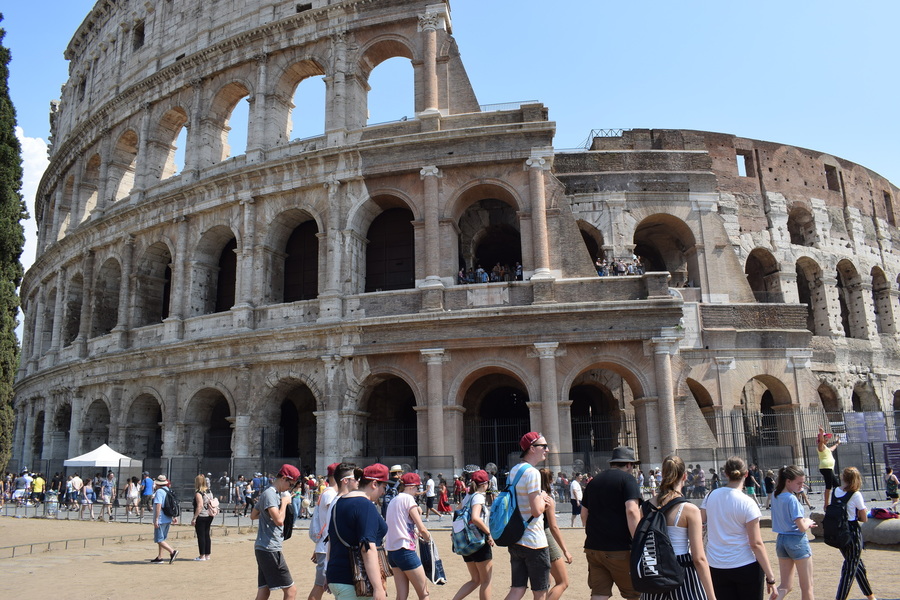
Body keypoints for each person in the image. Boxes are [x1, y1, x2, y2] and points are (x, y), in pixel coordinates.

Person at [700, 456, 776, 600]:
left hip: (716, 564)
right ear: (746, 474)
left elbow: (700, 523)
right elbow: (756, 543)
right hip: (745, 564)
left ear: (725, 474)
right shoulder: (748, 503)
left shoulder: (710, 496)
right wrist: (770, 576)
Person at [642, 455, 717, 600]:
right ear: (684, 476)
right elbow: (699, 558)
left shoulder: (646, 506)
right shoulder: (689, 509)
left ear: (663, 475)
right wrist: (712, 596)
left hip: (654, 571)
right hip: (683, 571)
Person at [581, 446, 642, 600]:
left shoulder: (594, 481)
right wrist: (638, 540)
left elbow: (583, 514)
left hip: (593, 548)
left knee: (599, 594)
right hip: (619, 549)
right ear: (628, 464)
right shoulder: (628, 479)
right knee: (635, 593)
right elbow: (632, 510)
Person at [326, 463, 390, 600]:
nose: (384, 492)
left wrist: (328, 572)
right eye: (383, 487)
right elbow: (367, 548)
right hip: (355, 580)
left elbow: (331, 541)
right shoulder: (365, 505)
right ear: (374, 484)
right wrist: (378, 588)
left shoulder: (339, 503)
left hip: (336, 576)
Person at [504, 431, 551, 600]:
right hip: (534, 541)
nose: (547, 450)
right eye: (543, 446)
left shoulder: (514, 470)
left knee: (517, 589)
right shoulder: (532, 473)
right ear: (532, 448)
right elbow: (536, 510)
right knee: (540, 592)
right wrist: (544, 498)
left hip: (516, 537)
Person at [252, 464, 300, 600]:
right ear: (284, 478)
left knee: (264, 590)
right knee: (291, 591)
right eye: (290, 484)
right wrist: (284, 503)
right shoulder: (271, 494)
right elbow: (279, 520)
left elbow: (254, 515)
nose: (290, 488)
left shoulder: (269, 493)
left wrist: (269, 515)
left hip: (263, 547)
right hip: (269, 548)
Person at [771, 466, 816, 600]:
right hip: (796, 540)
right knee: (807, 587)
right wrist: (808, 521)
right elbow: (801, 527)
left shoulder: (775, 495)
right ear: (788, 481)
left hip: (781, 540)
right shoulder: (791, 499)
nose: (801, 486)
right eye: (799, 483)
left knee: (785, 586)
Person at [386, 471, 432, 600]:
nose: (417, 491)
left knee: (401, 595)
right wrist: (429, 539)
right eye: (417, 488)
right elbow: (421, 527)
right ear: (411, 487)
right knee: (424, 593)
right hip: (405, 549)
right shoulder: (408, 499)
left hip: (392, 551)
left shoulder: (394, 500)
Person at [833, 467, 876, 600]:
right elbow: (864, 518)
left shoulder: (836, 491)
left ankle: (871, 597)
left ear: (843, 477)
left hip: (839, 531)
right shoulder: (856, 494)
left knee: (857, 565)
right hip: (852, 530)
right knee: (850, 568)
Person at [451, 469, 494, 600]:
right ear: (485, 483)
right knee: (486, 580)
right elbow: (475, 518)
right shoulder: (479, 496)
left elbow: (457, 512)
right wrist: (488, 533)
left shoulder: (468, 497)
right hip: (478, 540)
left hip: (465, 541)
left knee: (475, 579)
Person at [308, 462, 342, 600]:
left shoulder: (328, 492)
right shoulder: (330, 494)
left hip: (325, 546)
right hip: (326, 547)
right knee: (320, 586)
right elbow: (332, 521)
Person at [539, 468, 573, 600]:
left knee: (545, 582)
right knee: (563, 582)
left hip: (531, 538)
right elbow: (553, 527)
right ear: (550, 480)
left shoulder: (532, 496)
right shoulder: (547, 499)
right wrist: (565, 550)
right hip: (545, 536)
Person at [151, 475, 179, 563]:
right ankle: (160, 557)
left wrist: (156, 519)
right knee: (163, 538)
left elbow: (158, 505)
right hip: (168, 517)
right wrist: (174, 516)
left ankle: (172, 551)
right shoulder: (168, 490)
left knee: (158, 539)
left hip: (161, 518)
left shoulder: (159, 492)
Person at [191, 473, 214, 561]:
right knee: (206, 534)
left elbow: (200, 506)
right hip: (209, 515)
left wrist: (194, 518)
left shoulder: (198, 493)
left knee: (201, 536)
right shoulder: (209, 491)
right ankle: (207, 554)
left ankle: (202, 555)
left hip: (201, 516)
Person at [817, 425, 841, 509]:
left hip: (828, 468)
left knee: (836, 485)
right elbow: (821, 441)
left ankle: (835, 501)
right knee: (829, 486)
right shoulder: (821, 445)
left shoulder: (826, 448)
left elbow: (831, 449)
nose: (827, 439)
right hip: (826, 468)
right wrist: (821, 433)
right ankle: (826, 505)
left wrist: (837, 444)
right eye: (826, 437)